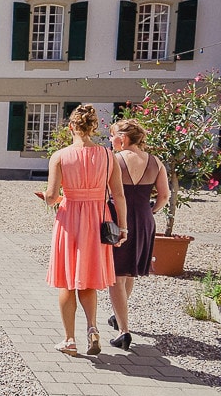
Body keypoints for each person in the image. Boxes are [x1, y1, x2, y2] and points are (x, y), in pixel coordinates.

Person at [43, 104, 128, 357]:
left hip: (70, 220)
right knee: (87, 279)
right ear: (94, 128)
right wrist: (122, 227)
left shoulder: (60, 156)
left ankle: (69, 339)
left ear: (71, 127)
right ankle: (92, 328)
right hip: (98, 219)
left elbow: (50, 196)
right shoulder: (107, 155)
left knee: (67, 281)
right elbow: (119, 195)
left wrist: (55, 200)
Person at [106, 118, 170, 350]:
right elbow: (164, 196)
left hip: (117, 219)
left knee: (116, 276)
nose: (110, 140)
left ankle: (124, 331)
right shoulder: (155, 161)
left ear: (122, 138)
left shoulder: (114, 160)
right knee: (129, 271)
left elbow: (104, 192)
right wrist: (150, 211)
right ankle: (118, 315)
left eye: (112, 136)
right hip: (144, 219)